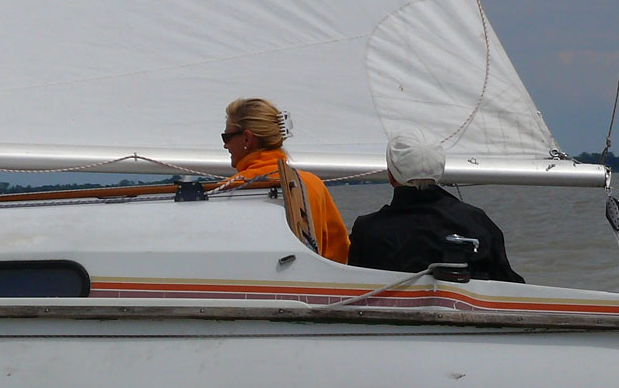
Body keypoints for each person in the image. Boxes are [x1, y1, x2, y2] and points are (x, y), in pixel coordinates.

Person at [348, 129, 524, 282]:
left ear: (391, 176)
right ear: (440, 171)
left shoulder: (367, 231)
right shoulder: (478, 223)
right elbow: (510, 288)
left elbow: (354, 287)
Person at [220, 97, 349, 263]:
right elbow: (339, 253)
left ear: (247, 138)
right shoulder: (313, 184)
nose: (225, 145)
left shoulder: (228, 190)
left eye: (226, 137)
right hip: (310, 277)